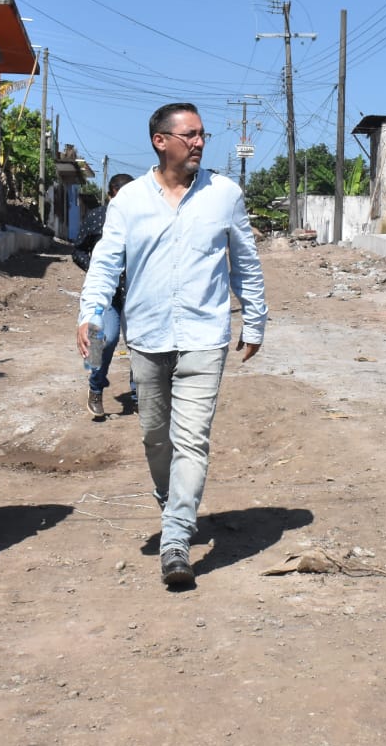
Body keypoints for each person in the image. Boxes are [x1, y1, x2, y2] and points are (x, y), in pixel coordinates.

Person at [76, 103, 267, 587]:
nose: (200, 142)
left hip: (206, 335)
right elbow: (105, 262)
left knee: (192, 440)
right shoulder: (130, 201)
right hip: (147, 335)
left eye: (202, 134)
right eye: (190, 135)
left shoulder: (225, 194)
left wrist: (256, 320)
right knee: (154, 437)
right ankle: (173, 505)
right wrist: (91, 311)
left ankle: (177, 537)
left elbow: (246, 262)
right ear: (161, 141)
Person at [73, 172, 135, 419]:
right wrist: (99, 269)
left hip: (135, 293)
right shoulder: (97, 217)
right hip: (107, 295)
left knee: (140, 343)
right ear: (111, 195)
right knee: (101, 338)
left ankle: (138, 393)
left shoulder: (143, 219)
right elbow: (78, 251)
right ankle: (96, 387)